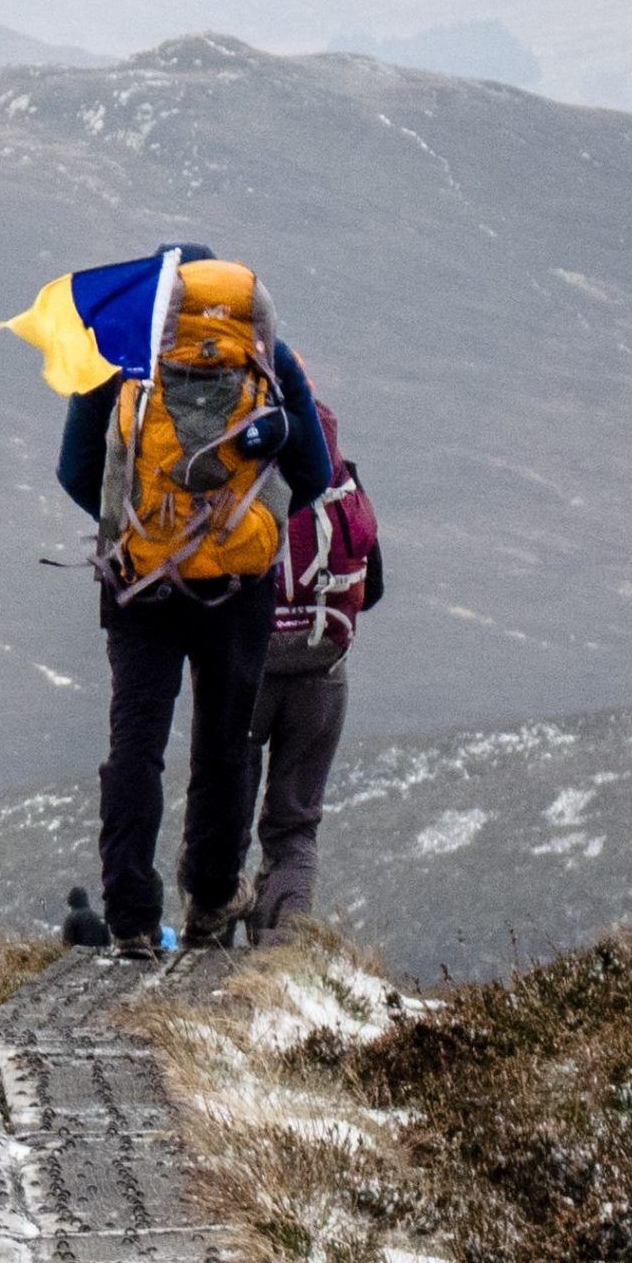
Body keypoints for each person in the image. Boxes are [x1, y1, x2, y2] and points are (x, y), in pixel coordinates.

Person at [54, 243, 330, 957]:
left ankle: (132, 916)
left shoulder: (122, 353)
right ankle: (210, 903)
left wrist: (136, 532)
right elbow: (317, 474)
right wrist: (246, 529)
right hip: (238, 589)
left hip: (139, 584)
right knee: (225, 744)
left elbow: (75, 467)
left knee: (136, 744)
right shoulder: (269, 355)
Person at [241, 402, 383, 943]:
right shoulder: (348, 491)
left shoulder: (249, 481)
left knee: (226, 810)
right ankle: (280, 954)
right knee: (295, 826)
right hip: (323, 675)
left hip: (249, 673)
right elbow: (373, 591)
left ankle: (206, 945)